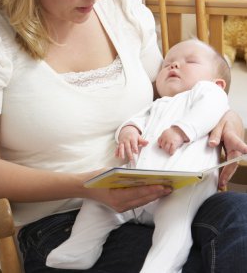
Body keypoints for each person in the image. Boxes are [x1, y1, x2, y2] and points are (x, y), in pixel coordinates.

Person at [0, 0, 247, 272]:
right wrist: (86, 186)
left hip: (163, 196)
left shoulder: (120, 6)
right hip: (63, 221)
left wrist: (227, 117)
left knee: (241, 219)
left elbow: (173, 93)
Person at [46, 39, 230, 272]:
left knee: (174, 225)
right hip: (136, 183)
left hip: (181, 185)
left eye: (190, 61)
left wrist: (182, 130)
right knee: (96, 205)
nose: (174, 66)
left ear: (218, 82)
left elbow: (212, 108)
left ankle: (161, 267)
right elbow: (135, 121)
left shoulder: (207, 92)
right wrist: (128, 132)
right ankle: (79, 248)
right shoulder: (157, 104)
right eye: (168, 64)